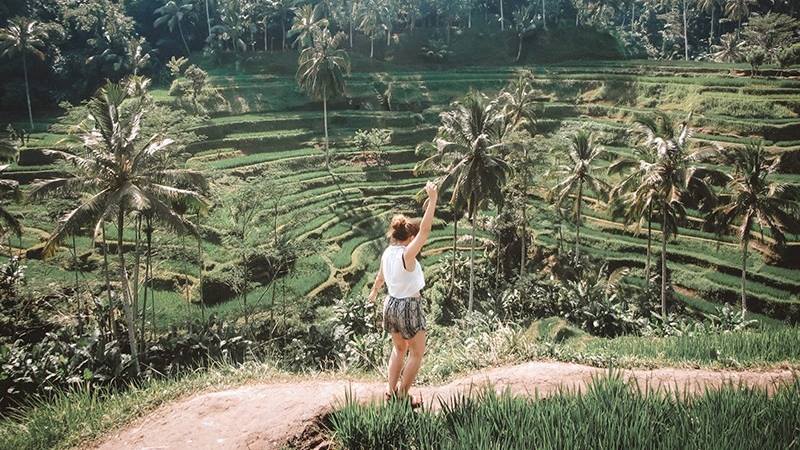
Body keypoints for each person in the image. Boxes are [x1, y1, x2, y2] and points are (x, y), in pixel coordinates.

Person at [369, 181, 438, 407]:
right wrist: (433, 198)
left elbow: (379, 278)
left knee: (398, 349)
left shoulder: (387, 252)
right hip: (409, 306)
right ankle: (402, 396)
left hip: (390, 304)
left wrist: (372, 295)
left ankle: (390, 392)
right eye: (413, 237)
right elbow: (426, 230)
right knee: (417, 353)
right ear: (408, 238)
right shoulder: (406, 255)